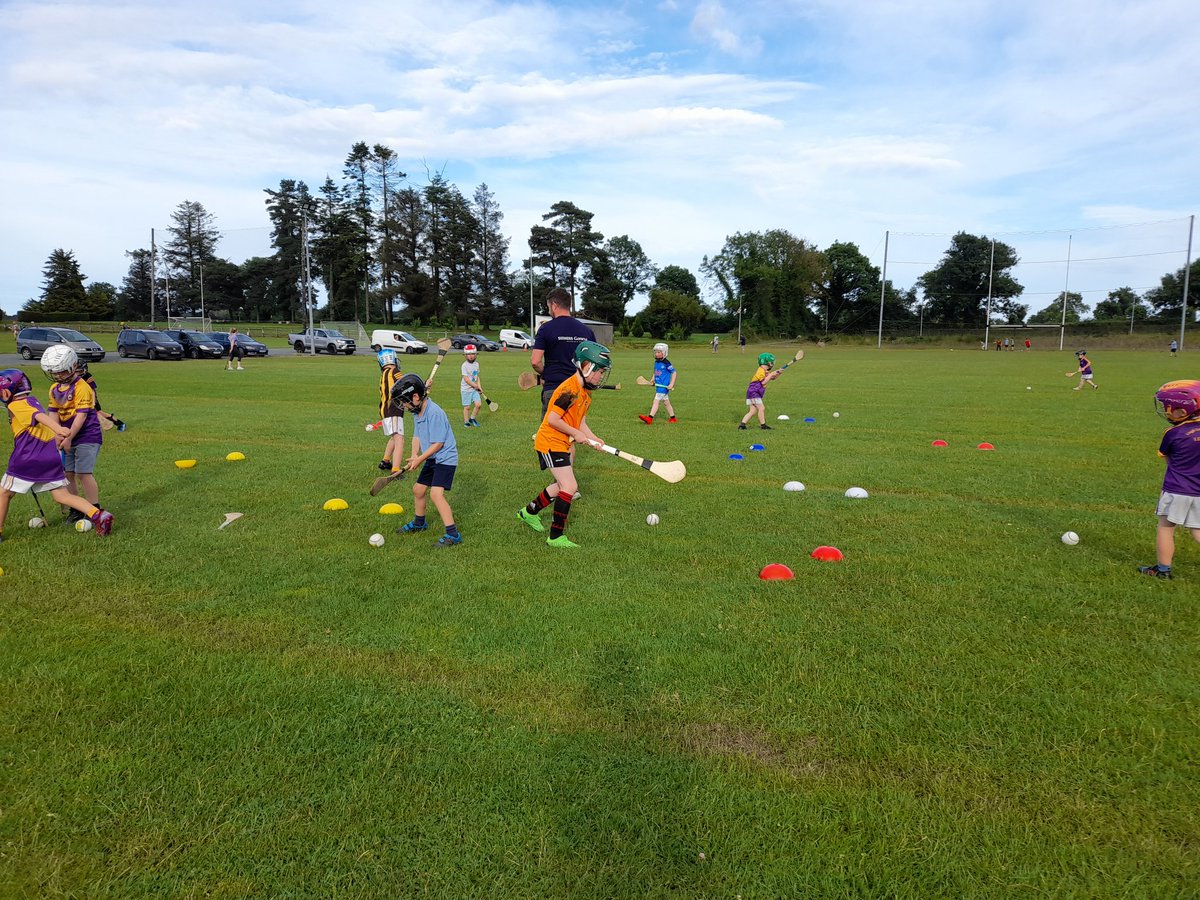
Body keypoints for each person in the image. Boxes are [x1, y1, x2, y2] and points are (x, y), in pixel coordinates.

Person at [0, 368, 112, 541]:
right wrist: (57, 435)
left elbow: (38, 417)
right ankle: (99, 515)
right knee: (61, 495)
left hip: (28, 458)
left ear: (7, 390)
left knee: (4, 492)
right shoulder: (32, 400)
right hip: (49, 457)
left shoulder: (17, 405)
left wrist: (59, 429)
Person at [517, 340, 610, 549]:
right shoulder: (569, 390)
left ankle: (528, 512)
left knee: (560, 486)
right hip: (550, 441)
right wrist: (576, 434)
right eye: (600, 371)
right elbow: (553, 419)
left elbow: (580, 421)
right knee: (569, 486)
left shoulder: (586, 392)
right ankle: (555, 536)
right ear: (587, 367)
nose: (601, 376)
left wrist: (593, 438)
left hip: (562, 442)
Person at [1138, 380, 1200, 579]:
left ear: (1182, 412)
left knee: (1165, 527)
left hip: (1176, 489)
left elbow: (1166, 458)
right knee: (1198, 530)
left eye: (1168, 408)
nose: (1166, 411)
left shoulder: (1173, 433)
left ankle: (1163, 570)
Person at [392, 373, 461, 547]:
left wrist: (420, 459)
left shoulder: (434, 413)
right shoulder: (417, 412)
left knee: (436, 495)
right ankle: (419, 523)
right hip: (432, 457)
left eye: (405, 401)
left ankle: (453, 534)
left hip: (445, 458)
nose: (404, 405)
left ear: (415, 397)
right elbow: (417, 435)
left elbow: (438, 443)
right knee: (418, 490)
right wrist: (415, 455)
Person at [43, 346, 105, 521]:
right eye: (54, 373)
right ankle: (76, 509)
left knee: (83, 473)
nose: (57, 376)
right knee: (68, 474)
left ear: (72, 366)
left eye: (61, 372)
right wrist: (57, 433)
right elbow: (53, 412)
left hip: (87, 435)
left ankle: (94, 510)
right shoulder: (54, 389)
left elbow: (81, 416)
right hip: (67, 435)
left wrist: (69, 436)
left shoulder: (82, 387)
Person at [530, 287, 595, 418]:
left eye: (548, 306)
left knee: (550, 435)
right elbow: (591, 364)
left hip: (554, 389)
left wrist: (546, 374)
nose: (549, 310)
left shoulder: (545, 329)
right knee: (575, 432)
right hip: (578, 390)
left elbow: (535, 361)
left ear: (554, 305)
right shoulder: (587, 331)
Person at [375, 349, 404, 473]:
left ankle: (385, 462)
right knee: (400, 439)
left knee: (393, 437)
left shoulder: (384, 374)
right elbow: (405, 385)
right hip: (394, 409)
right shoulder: (395, 371)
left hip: (385, 411)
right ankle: (395, 470)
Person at [77, 361, 125, 432]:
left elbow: (93, 391)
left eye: (80, 371)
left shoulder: (88, 376)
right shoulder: (75, 377)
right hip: (81, 397)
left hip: (91, 398)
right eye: (76, 371)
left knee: (99, 413)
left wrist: (93, 402)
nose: (78, 373)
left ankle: (120, 423)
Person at [638, 342, 677, 425]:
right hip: (658, 385)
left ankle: (650, 418)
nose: (656, 354)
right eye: (655, 352)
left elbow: (674, 373)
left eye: (659, 352)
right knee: (666, 403)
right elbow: (655, 372)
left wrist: (671, 384)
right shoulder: (656, 362)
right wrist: (652, 379)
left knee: (656, 401)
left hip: (663, 386)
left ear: (664, 353)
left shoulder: (667, 363)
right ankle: (673, 418)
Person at [739, 353, 781, 430]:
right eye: (772, 362)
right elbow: (764, 382)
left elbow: (772, 378)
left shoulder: (764, 371)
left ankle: (742, 425)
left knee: (752, 411)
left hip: (752, 392)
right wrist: (771, 374)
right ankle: (763, 426)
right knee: (761, 408)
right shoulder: (761, 371)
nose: (772, 363)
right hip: (754, 392)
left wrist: (778, 374)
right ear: (768, 362)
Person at [460, 344, 484, 427]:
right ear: (465, 355)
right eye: (469, 354)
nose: (471, 356)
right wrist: (475, 385)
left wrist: (479, 386)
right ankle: (466, 422)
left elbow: (476, 377)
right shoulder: (464, 366)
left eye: (473, 354)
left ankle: (472, 418)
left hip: (474, 389)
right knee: (467, 407)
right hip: (466, 389)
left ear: (476, 354)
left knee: (478, 404)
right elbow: (466, 379)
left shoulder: (477, 364)